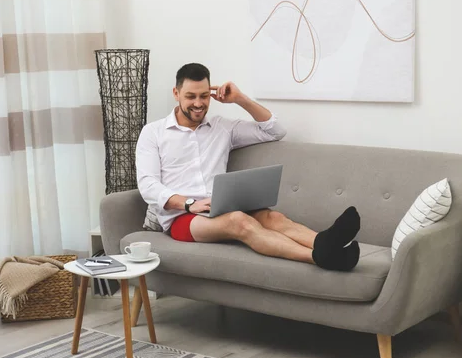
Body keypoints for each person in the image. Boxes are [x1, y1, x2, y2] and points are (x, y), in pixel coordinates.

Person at [135, 63, 360, 271]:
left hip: (221, 206)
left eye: (204, 96)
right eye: (190, 96)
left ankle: (325, 242)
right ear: (176, 94)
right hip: (182, 217)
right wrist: (189, 203)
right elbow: (148, 185)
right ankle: (319, 257)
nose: (198, 103)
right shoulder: (153, 133)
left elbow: (274, 131)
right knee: (240, 222)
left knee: (274, 218)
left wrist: (240, 99)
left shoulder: (222, 128)